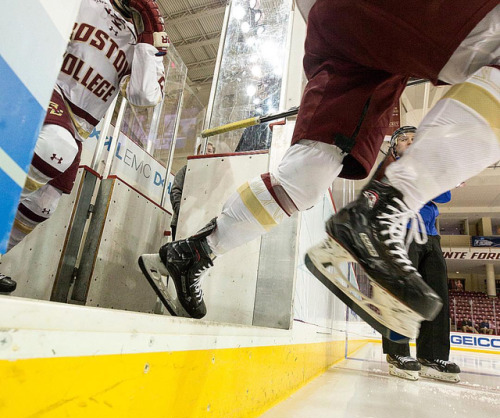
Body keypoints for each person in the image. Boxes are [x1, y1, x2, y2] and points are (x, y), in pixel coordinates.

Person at [139, 1, 499, 332]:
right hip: (374, 18)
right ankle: (381, 212)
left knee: (304, 178)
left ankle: (193, 253)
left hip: (346, 29)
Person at [0, 0, 168, 294]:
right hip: (46, 92)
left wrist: (147, 35)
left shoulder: (144, 40)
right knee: (56, 147)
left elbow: (143, 95)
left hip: (78, 125)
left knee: (44, 203)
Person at [380, 127, 460, 383]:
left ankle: (432, 355)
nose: (411, 143)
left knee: (437, 296)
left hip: (431, 237)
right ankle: (397, 352)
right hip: (402, 233)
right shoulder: (392, 171)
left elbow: (445, 195)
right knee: (402, 294)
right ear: (394, 149)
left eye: (416, 140)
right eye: (404, 140)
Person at [170, 142, 215, 240]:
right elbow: (175, 191)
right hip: (180, 223)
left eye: (210, 151)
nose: (207, 153)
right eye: (203, 150)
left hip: (202, 224)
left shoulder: (214, 175)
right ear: (198, 153)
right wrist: (182, 212)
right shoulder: (186, 170)